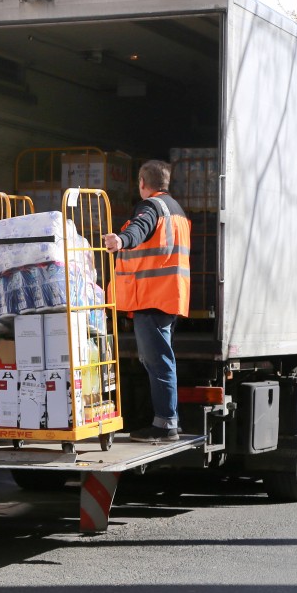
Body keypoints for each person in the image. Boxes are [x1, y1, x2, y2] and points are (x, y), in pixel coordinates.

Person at [103, 159, 191, 443]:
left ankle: (166, 424)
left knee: (158, 361)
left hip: (153, 298)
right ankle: (167, 420)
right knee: (160, 360)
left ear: (142, 183)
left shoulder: (151, 208)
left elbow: (140, 229)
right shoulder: (176, 210)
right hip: (168, 296)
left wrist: (121, 240)